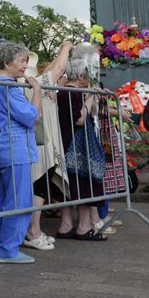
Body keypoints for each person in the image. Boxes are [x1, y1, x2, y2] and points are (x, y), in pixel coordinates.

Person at [0, 42, 41, 264]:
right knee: (18, 201)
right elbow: (31, 117)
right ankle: (7, 249)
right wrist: (37, 90)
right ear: (6, 62)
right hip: (14, 148)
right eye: (21, 61)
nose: (25, 66)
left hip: (4, 149)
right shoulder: (8, 86)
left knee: (4, 201)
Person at [22, 42, 71, 252]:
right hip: (39, 144)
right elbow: (58, 69)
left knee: (40, 185)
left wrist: (61, 51)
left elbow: (53, 69)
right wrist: (67, 47)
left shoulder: (38, 84)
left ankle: (34, 229)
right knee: (38, 184)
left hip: (43, 142)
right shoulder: (31, 85)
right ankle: (33, 231)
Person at [55, 60, 108, 240]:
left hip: (66, 146)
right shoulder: (73, 93)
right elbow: (79, 118)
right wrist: (91, 95)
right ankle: (84, 227)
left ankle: (66, 225)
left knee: (68, 187)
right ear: (80, 75)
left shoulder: (63, 92)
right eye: (86, 74)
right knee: (84, 184)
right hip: (78, 148)